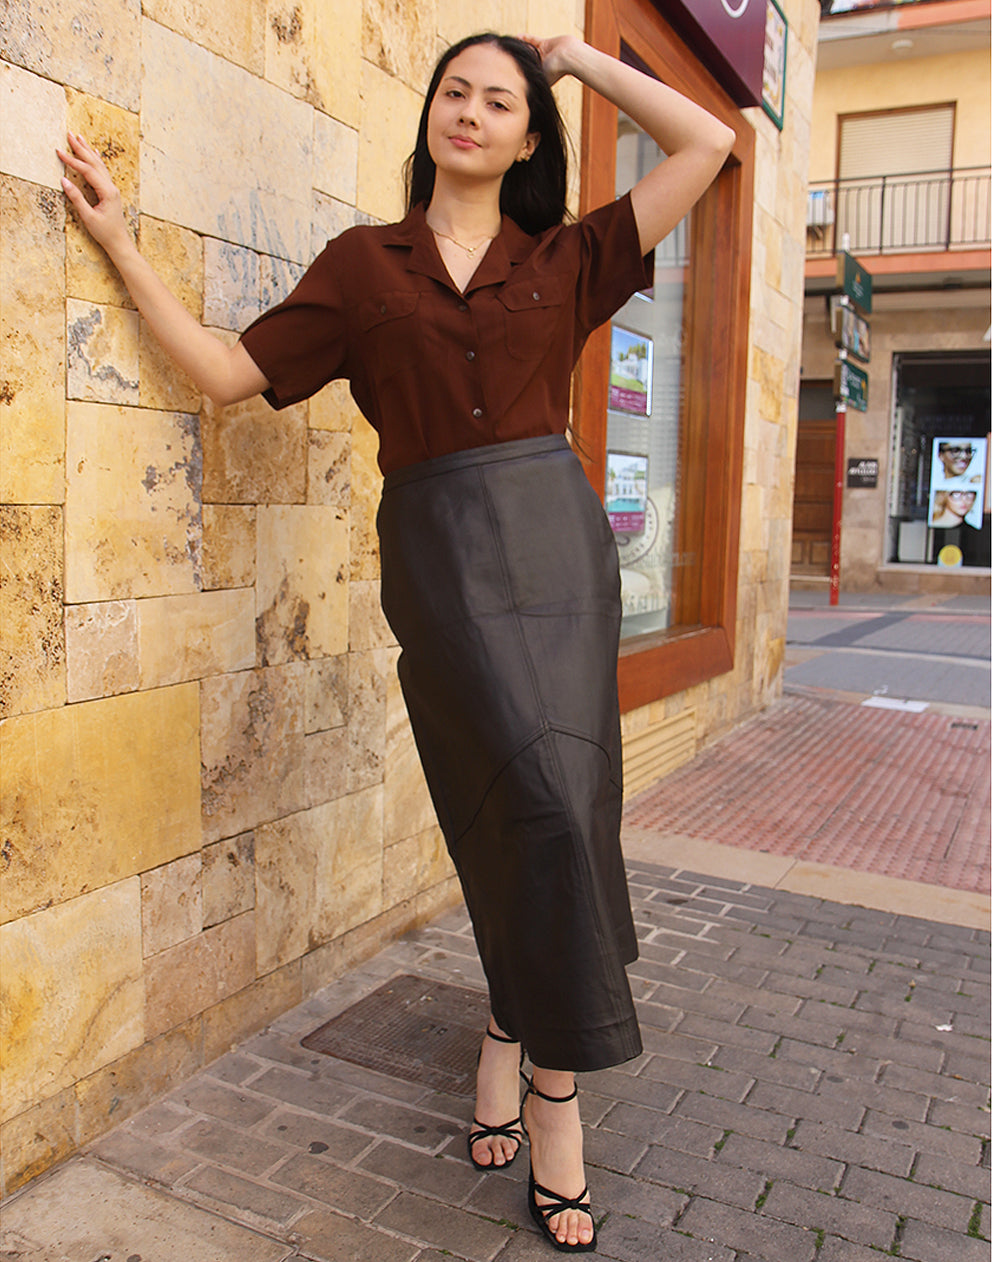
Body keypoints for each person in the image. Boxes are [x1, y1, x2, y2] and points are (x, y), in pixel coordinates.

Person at [59, 32, 734, 1252]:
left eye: (499, 101)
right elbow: (224, 372)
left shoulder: (568, 254)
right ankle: (537, 1065)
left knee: (571, 803)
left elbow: (711, 141)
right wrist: (119, 240)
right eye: (453, 93)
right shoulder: (364, 269)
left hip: (554, 543)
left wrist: (577, 55)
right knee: (514, 799)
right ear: (427, 116)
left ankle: (526, 1057)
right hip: (442, 553)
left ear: (531, 135)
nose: (469, 113)